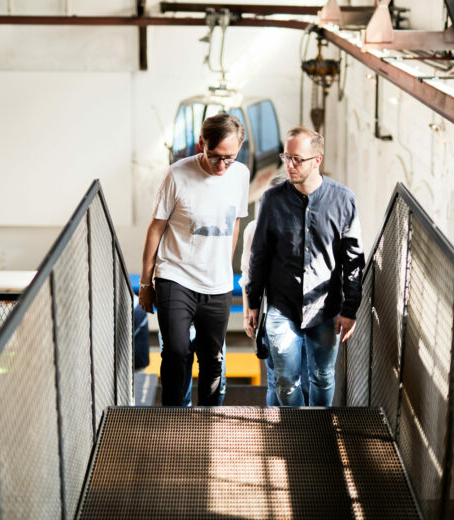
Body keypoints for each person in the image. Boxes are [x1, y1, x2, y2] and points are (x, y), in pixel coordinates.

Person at [246, 126, 364, 407]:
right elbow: (259, 255)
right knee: (286, 382)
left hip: (325, 309)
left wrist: (350, 309)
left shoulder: (343, 200)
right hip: (281, 308)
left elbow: (353, 259)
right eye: (286, 157)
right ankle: (296, 435)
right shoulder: (272, 199)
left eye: (297, 159)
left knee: (322, 377)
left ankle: (320, 431)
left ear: (317, 160)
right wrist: (253, 304)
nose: (289, 165)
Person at [139, 113, 249, 406]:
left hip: (218, 283)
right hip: (176, 276)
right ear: (202, 144)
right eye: (215, 157)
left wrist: (224, 264)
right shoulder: (177, 175)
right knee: (176, 352)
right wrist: (146, 282)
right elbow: (156, 228)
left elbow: (234, 222)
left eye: (230, 158)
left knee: (212, 359)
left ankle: (210, 420)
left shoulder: (241, 175)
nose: (222, 166)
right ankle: (175, 418)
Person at [240, 172, 309, 406]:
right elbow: (247, 276)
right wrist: (249, 312)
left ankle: (300, 430)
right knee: (281, 379)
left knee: (296, 380)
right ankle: (285, 431)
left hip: (304, 312)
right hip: (275, 313)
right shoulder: (254, 229)